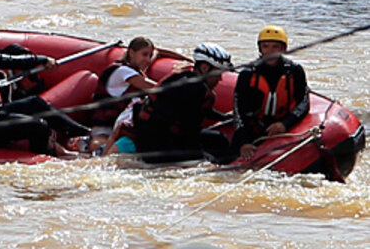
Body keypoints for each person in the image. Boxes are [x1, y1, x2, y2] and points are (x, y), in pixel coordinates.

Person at [0, 24, 89, 157]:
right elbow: (8, 60)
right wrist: (43, 60)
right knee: (38, 126)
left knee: (35, 103)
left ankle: (85, 132)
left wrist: (15, 50)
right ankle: (49, 158)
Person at [131, 43, 234, 163]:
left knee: (218, 139)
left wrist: (224, 117)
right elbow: (189, 131)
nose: (220, 79)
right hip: (158, 145)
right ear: (205, 68)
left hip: (164, 136)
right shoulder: (191, 89)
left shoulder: (189, 78)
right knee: (210, 160)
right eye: (218, 73)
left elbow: (204, 111)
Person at [233, 25, 309, 160]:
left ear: (283, 49)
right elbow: (239, 111)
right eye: (266, 46)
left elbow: (303, 103)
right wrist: (244, 142)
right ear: (260, 49)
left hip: (285, 128)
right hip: (254, 130)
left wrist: (284, 124)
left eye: (275, 47)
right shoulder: (247, 74)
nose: (270, 51)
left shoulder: (295, 71)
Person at [87, 37, 157, 154]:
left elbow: (156, 53)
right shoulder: (122, 72)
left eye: (150, 56)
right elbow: (156, 88)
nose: (148, 60)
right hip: (105, 129)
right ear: (131, 52)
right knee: (98, 146)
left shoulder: (135, 70)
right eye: (144, 55)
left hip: (125, 128)